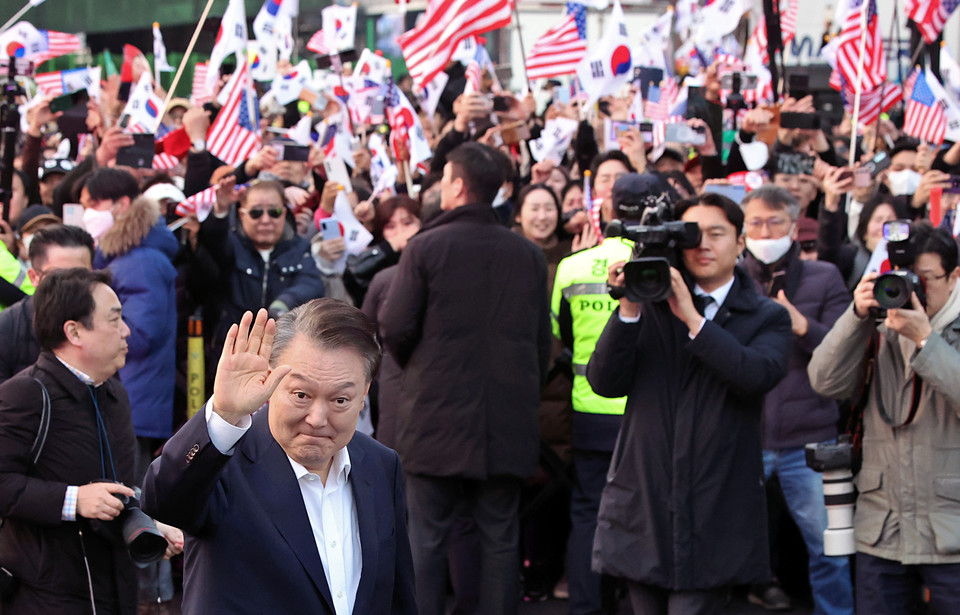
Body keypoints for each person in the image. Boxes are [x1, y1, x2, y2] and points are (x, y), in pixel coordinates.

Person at [586, 192, 793, 614]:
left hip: (716, 511)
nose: (704, 245)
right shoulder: (651, 306)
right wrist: (629, 306)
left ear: (740, 244)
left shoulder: (766, 316)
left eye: (717, 234)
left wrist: (694, 321)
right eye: (693, 236)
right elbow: (605, 382)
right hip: (644, 505)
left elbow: (755, 377)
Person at [141, 301, 417, 615]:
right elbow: (162, 501)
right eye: (301, 395)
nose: (317, 417)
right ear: (269, 380)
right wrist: (224, 414)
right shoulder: (223, 462)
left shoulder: (381, 465)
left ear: (364, 394)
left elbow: (397, 595)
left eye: (340, 399)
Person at [380, 142, 552, 615]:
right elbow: (543, 343)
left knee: (426, 539)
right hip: (507, 422)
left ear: (457, 185)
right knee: (501, 538)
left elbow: (394, 328)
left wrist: (426, 371)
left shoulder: (426, 247)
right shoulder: (528, 255)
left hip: (434, 420)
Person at [0, 268, 181, 615]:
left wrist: (148, 526)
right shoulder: (24, 395)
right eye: (114, 320)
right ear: (74, 331)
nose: (126, 330)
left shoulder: (114, 392)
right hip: (45, 597)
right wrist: (74, 499)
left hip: (115, 591)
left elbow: (117, 490)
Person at [808, 224, 960, 615]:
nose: (912, 292)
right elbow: (823, 380)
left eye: (924, 280)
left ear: (955, 276)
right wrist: (856, 316)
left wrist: (927, 340)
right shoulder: (877, 329)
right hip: (883, 530)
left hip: (953, 531)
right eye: (901, 280)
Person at [552, 173, 673, 614]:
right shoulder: (664, 265)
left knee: (589, 513)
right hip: (648, 412)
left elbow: (559, 334)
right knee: (650, 512)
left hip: (591, 407)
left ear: (606, 210)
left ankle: (587, 605)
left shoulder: (573, 266)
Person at [738, 185, 853, 615]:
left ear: (793, 225)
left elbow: (846, 354)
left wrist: (803, 326)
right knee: (718, 543)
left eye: (774, 222)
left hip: (811, 439)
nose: (764, 231)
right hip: (743, 435)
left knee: (830, 548)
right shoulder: (729, 279)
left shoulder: (824, 276)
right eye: (755, 222)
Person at [194, 178, 325, 363]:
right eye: (256, 213)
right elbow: (212, 242)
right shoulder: (230, 245)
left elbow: (311, 283)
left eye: (274, 212)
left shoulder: (300, 248)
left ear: (285, 213)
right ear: (241, 214)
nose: (265, 220)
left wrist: (284, 303)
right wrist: (220, 212)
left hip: (283, 354)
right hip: (230, 353)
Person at [0, 225, 95, 384]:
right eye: (58, 276)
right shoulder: (7, 329)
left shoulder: (105, 323)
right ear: (34, 277)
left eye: (81, 275)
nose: (70, 285)